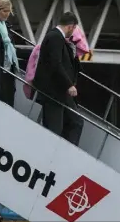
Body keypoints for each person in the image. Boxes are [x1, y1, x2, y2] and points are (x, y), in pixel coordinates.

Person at [33, 12, 83, 146]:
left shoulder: (56, 38)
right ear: (71, 26)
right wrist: (69, 84)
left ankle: (65, 152)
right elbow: (55, 63)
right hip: (54, 91)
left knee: (74, 122)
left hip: (59, 92)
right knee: (55, 128)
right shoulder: (55, 37)